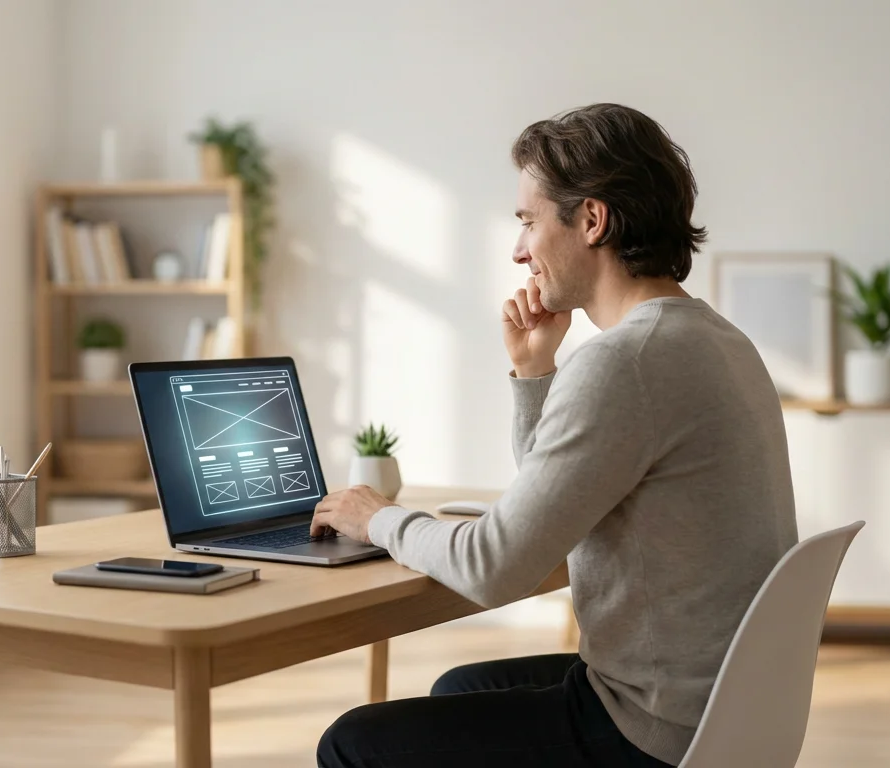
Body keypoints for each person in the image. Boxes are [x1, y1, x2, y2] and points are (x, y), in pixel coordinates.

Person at [310, 103, 799, 768]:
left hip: (651, 730)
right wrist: (534, 371)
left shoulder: (626, 361)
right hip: (720, 707)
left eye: (528, 222)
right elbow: (559, 504)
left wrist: (379, 518)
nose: (518, 250)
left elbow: (493, 566)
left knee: (351, 743)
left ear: (591, 220)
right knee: (459, 687)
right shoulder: (710, 337)